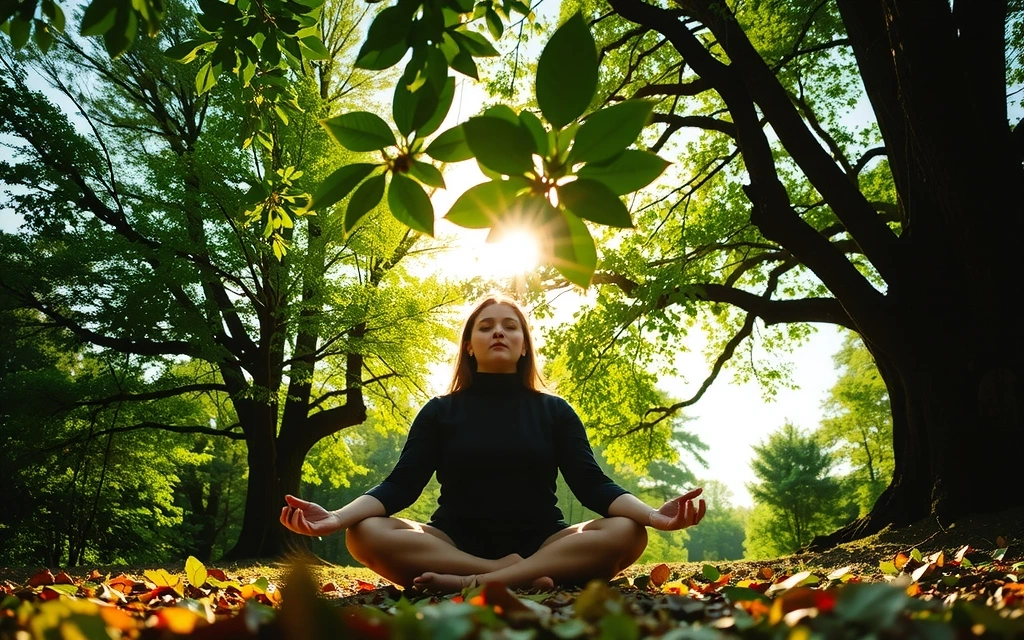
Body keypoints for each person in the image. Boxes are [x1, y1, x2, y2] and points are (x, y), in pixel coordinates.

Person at [280, 294, 706, 593]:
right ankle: (505, 573)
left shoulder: (556, 411)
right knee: (364, 533)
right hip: (450, 545)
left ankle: (478, 584)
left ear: (524, 346)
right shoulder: (438, 411)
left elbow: (593, 486)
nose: (498, 332)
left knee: (628, 532)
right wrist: (336, 518)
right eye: (486, 326)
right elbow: (399, 487)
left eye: (510, 326)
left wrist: (653, 515)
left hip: (545, 544)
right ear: (469, 345)